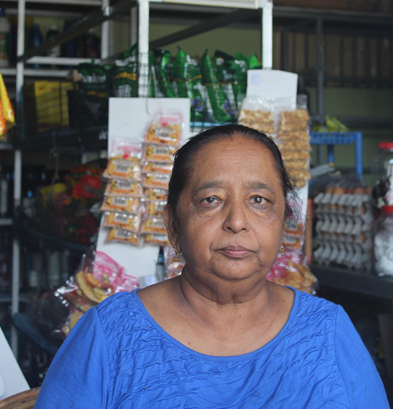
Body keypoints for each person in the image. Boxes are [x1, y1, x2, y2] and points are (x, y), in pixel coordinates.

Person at [35, 124, 389, 408]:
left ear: (285, 221)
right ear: (173, 223)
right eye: (211, 200)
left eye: (259, 200)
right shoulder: (109, 336)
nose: (237, 220)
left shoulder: (328, 332)